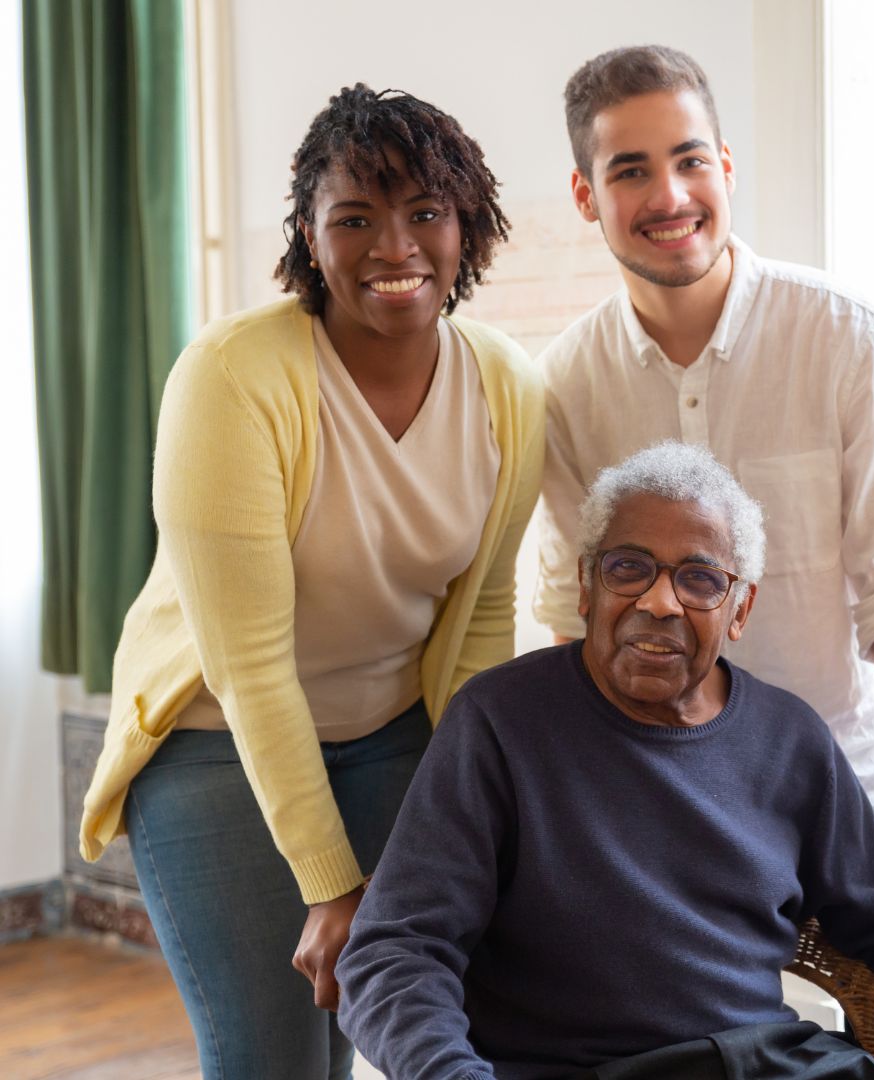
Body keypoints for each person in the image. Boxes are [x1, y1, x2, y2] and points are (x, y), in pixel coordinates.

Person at [336, 442, 874, 1080]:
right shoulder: (499, 723)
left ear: (740, 610)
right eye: (630, 568)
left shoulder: (792, 741)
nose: (659, 602)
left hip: (775, 1061)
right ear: (587, 588)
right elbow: (394, 953)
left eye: (699, 579)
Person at [78, 84, 544, 1080]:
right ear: (308, 233)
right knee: (276, 1060)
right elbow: (247, 666)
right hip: (215, 747)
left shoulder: (509, 386)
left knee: (406, 1027)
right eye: (356, 217)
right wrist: (330, 882)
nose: (395, 245)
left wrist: (478, 808)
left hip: (394, 736)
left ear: (469, 225)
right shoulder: (232, 376)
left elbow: (486, 615)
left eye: (426, 211)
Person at [534, 44, 874, 984]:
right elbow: (569, 624)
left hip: (858, 808)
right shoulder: (562, 389)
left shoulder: (849, 342)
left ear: (726, 167)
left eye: (690, 158)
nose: (670, 195)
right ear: (586, 197)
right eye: (630, 170)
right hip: (656, 817)